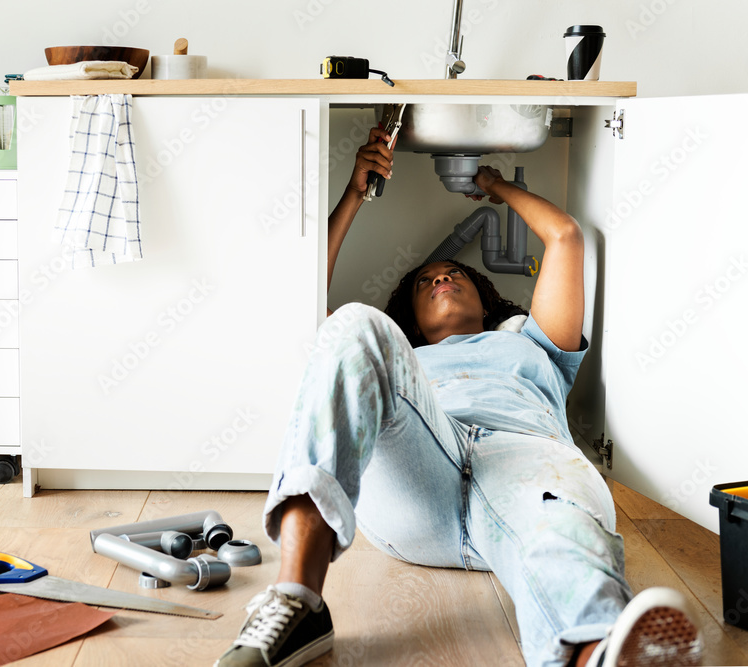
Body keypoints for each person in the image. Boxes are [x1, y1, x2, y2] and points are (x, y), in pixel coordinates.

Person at [215, 126, 704, 667]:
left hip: (526, 464)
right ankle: (297, 601)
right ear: (413, 322)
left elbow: (563, 236)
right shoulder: (400, 354)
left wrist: (496, 184)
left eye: (453, 272)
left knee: (563, 528)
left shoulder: (531, 342)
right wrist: (355, 194)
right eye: (426, 281)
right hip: (417, 476)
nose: (442, 276)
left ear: (485, 296)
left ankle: (595, 649)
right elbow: (302, 304)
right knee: (352, 323)